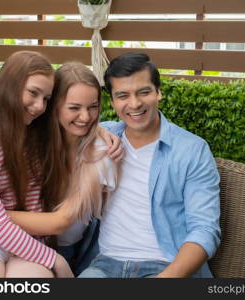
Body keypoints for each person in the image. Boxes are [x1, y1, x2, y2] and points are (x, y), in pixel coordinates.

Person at [0, 61, 121, 277]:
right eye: (74, 107)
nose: (86, 117)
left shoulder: (100, 152)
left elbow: (60, 222)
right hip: (10, 239)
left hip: (60, 248)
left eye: (93, 106)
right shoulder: (33, 139)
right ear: (53, 107)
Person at [77, 52, 221, 278]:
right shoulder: (103, 137)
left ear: (158, 93)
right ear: (112, 102)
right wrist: (96, 129)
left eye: (143, 92)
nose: (134, 104)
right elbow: (55, 124)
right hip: (104, 264)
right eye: (123, 95)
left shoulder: (191, 150)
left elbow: (204, 230)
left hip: (164, 266)